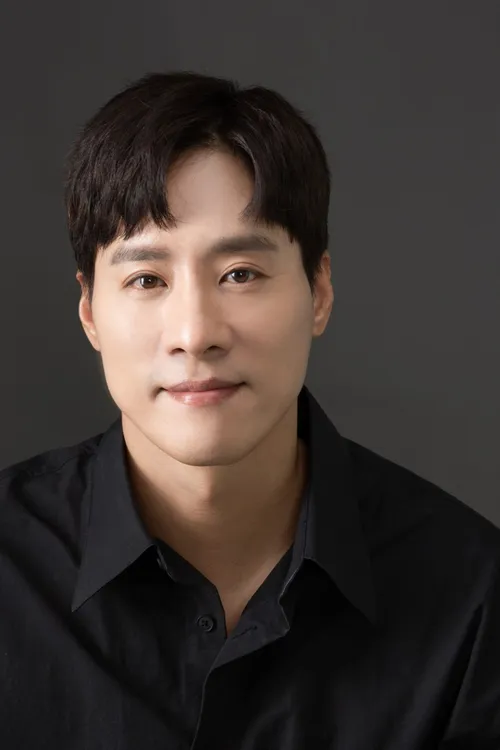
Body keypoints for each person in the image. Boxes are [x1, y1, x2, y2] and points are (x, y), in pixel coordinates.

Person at [0, 71, 498, 750]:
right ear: (90, 312)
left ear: (319, 292)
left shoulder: (473, 596)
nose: (194, 333)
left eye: (240, 274)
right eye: (146, 279)